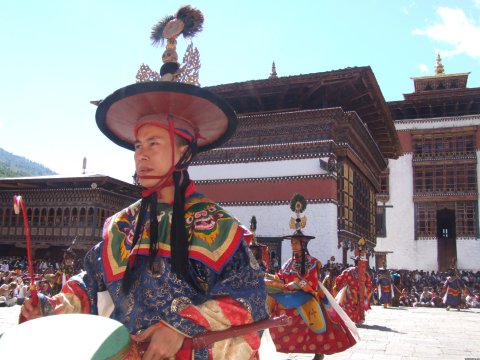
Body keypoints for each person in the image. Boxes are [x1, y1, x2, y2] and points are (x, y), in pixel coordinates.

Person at [20, 6, 268, 360]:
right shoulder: (122, 225)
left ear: (184, 152)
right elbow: (91, 284)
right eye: (138, 145)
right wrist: (48, 306)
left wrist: (180, 326)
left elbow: (250, 297)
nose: (141, 155)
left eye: (154, 144)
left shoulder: (219, 227)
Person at [265, 194, 357, 359]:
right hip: (289, 297)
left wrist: (292, 285)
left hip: (306, 296)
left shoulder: (313, 262)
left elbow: (312, 282)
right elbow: (281, 276)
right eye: (292, 242)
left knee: (315, 324)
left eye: (295, 242)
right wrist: (271, 278)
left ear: (303, 244)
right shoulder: (288, 262)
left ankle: (318, 351)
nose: (293, 245)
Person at [334, 257, 373, 325]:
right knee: (358, 306)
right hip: (359, 293)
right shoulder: (364, 273)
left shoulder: (348, 271)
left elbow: (339, 279)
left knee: (349, 306)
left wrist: (338, 287)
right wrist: (366, 291)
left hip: (351, 293)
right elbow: (369, 284)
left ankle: (350, 320)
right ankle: (357, 319)